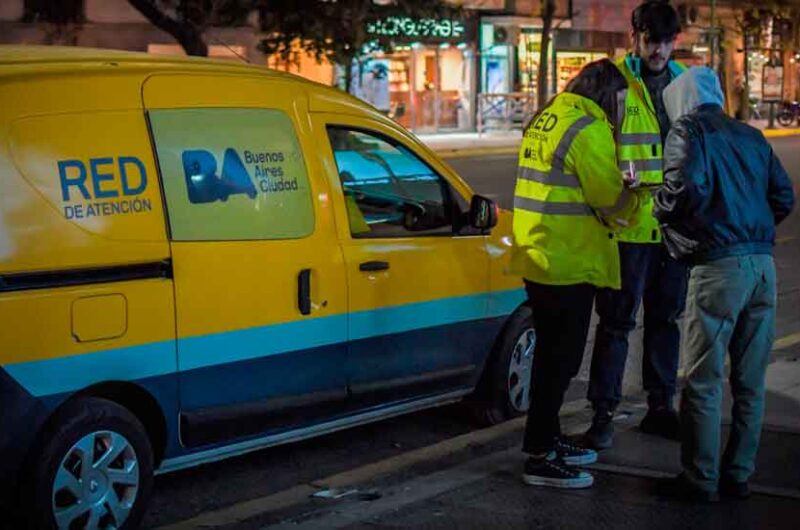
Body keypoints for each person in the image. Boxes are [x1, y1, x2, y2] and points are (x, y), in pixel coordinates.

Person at [653, 67, 795, 502]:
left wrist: (660, 207)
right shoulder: (751, 135)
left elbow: (681, 189)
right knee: (750, 380)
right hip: (762, 267)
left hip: (718, 267)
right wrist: (751, 230)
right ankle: (739, 475)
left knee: (704, 379)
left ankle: (700, 478)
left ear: (680, 101)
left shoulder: (687, 130)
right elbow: (783, 197)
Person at [511, 59, 643, 489]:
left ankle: (547, 438)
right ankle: (540, 455)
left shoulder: (548, 116)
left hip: (540, 254)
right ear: (606, 94)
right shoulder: (587, 129)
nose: (619, 111)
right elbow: (609, 199)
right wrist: (635, 195)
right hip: (568, 261)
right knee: (560, 362)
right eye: (619, 102)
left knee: (553, 358)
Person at [584, 0, 688, 450]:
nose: (658, 50)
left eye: (666, 42)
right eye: (651, 40)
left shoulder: (686, 84)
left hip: (671, 227)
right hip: (628, 227)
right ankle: (603, 414)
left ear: (675, 41)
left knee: (666, 320)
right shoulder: (616, 83)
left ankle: (660, 406)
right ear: (635, 37)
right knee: (616, 323)